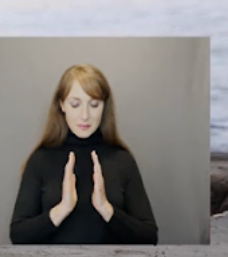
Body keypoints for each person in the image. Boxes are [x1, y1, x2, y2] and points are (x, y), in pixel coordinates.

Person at [9, 64, 158, 244]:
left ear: (104, 107)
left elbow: (149, 237)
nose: (85, 115)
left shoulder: (122, 160)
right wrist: (62, 209)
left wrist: (106, 209)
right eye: (75, 104)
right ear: (62, 104)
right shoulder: (41, 159)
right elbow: (18, 235)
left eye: (94, 104)